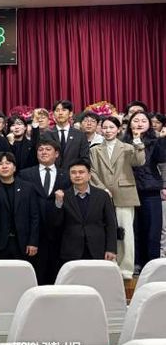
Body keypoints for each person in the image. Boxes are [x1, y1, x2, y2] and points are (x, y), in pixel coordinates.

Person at [89, 116, 145, 279]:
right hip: (102, 195)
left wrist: (137, 140)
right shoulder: (94, 149)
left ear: (118, 129)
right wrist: (102, 189)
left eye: (111, 127)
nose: (108, 131)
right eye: (105, 127)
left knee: (125, 232)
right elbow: (92, 172)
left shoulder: (128, 147)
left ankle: (126, 269)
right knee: (106, 231)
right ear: (100, 129)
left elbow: (139, 161)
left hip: (125, 193)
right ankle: (109, 266)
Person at [18, 138, 71, 284]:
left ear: (56, 154)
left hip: (58, 233)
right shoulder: (25, 174)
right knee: (34, 276)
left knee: (56, 276)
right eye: (40, 150)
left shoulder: (66, 175)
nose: (44, 152)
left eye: (48, 149)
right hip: (33, 234)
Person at [123, 111, 166, 271]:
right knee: (133, 229)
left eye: (143, 121)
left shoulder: (155, 141)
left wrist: (162, 139)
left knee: (153, 230)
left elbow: (162, 158)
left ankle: (152, 267)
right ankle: (136, 264)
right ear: (130, 124)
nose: (140, 123)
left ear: (149, 124)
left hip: (150, 190)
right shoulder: (123, 142)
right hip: (129, 190)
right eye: (136, 120)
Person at [52, 159, 117, 263]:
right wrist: (58, 203)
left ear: (89, 175)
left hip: (97, 249)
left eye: (81, 172)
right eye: (73, 173)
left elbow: (111, 224)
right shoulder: (63, 195)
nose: (77, 175)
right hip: (71, 250)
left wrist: (111, 249)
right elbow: (56, 224)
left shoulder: (102, 195)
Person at [0, 152, 39, 260]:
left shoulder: (28, 188)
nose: (4, 166)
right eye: (0, 164)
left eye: (8, 163)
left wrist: (33, 242)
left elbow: (35, 217)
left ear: (14, 168)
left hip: (23, 243)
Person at [43, 99, 90, 170]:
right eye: (57, 110)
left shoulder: (80, 135)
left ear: (70, 114)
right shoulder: (46, 135)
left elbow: (85, 159)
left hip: (73, 174)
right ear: (53, 114)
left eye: (64, 110)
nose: (60, 113)